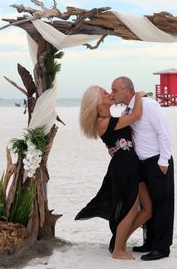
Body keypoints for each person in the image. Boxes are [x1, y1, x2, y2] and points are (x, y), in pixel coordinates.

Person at [75, 85, 152, 260]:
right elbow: (136, 115)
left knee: (148, 209)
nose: (109, 94)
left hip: (131, 163)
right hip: (124, 167)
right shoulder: (103, 121)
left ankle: (119, 240)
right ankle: (118, 249)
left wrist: (113, 147)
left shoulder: (107, 119)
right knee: (131, 210)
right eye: (104, 92)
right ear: (96, 101)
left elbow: (111, 141)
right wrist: (139, 95)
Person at [111, 76, 175, 261]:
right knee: (149, 205)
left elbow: (164, 132)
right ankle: (150, 242)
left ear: (126, 90)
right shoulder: (127, 112)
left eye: (115, 90)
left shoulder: (148, 105)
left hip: (157, 161)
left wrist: (164, 160)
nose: (113, 94)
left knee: (163, 205)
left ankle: (162, 248)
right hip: (141, 165)